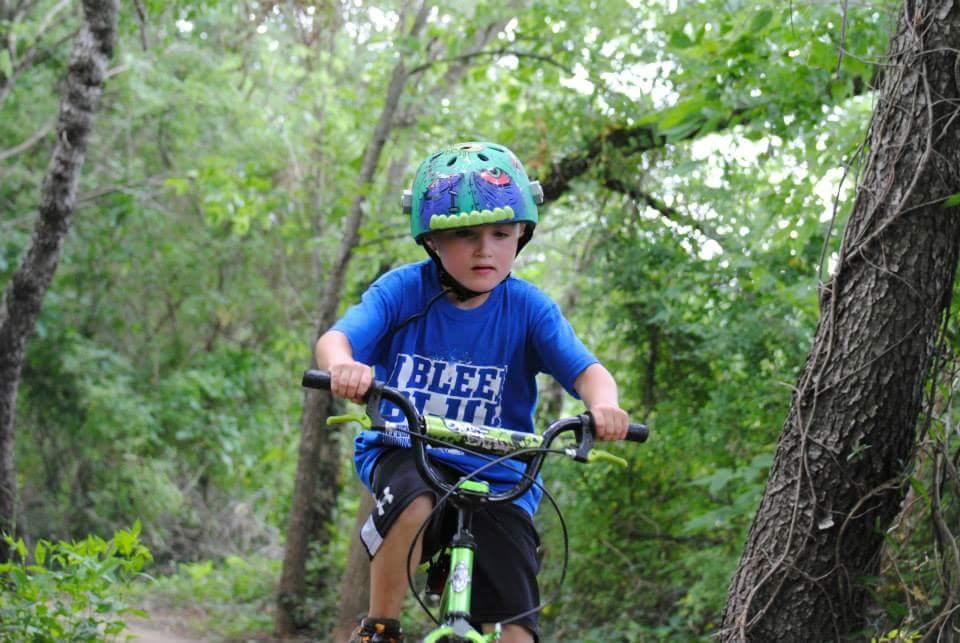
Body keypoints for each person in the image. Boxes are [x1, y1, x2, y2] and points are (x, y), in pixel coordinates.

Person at [316, 141, 628, 643]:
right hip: (406, 448)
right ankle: (381, 625)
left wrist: (604, 406)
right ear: (433, 241)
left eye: (501, 234)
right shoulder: (402, 291)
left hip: (498, 469)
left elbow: (589, 372)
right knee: (413, 503)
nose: (485, 249)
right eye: (465, 235)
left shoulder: (529, 310)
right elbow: (336, 340)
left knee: (515, 625)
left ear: (521, 236)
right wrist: (345, 367)